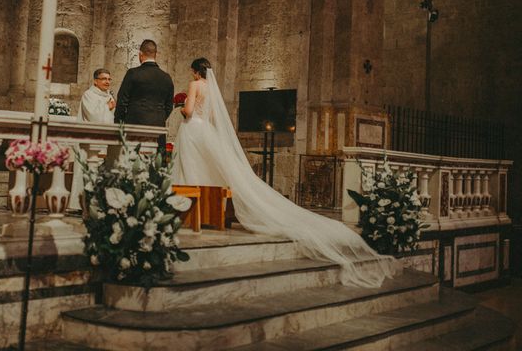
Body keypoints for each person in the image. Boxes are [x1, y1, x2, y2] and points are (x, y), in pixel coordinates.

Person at [172, 58, 397, 288]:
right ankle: (202, 214)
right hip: (206, 132)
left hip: (193, 131)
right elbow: (211, 117)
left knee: (191, 169)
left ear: (195, 72)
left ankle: (188, 213)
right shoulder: (213, 90)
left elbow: (189, 111)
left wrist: (181, 108)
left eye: (191, 71)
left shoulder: (195, 85)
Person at [68, 68, 116, 210]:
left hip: (105, 141)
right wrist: (107, 106)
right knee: (86, 171)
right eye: (103, 79)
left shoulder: (109, 96)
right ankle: (82, 204)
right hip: (89, 142)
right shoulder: (89, 95)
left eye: (109, 79)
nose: (107, 82)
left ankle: (100, 203)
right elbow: (93, 117)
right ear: (95, 81)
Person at [114, 39, 174, 128]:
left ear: (140, 54)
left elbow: (122, 101)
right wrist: (159, 118)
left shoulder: (133, 73)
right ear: (155, 55)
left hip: (134, 124)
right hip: (158, 125)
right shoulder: (166, 77)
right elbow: (169, 106)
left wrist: (119, 122)